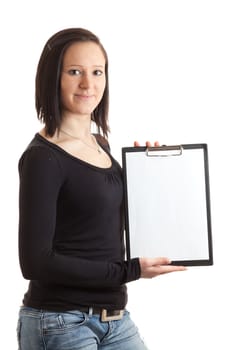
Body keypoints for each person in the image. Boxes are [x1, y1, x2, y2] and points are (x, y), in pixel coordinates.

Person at [17, 27, 186, 350]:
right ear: (52, 78)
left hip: (114, 319)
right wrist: (129, 270)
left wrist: (152, 172)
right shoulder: (43, 158)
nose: (88, 84)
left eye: (97, 71)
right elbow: (35, 262)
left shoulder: (100, 144)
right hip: (61, 321)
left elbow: (102, 217)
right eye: (74, 72)